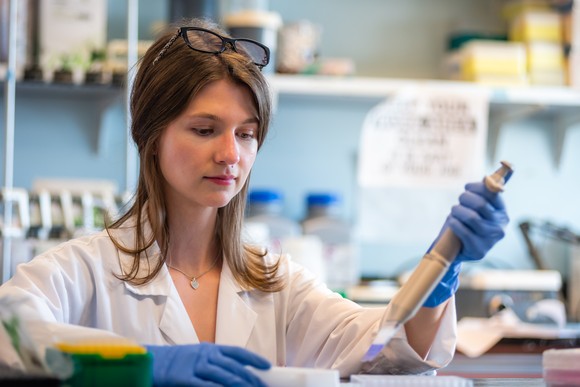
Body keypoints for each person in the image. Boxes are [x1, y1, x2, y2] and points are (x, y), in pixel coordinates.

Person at [0, 18, 509, 386]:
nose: (230, 155)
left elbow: (383, 349)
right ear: (151, 136)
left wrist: (439, 271)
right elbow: (11, 332)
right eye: (204, 130)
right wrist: (141, 361)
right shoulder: (85, 270)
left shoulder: (275, 282)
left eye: (246, 134)